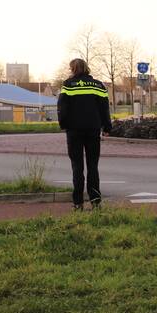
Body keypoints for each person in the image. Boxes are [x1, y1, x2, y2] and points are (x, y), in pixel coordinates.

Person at [57, 58, 112, 210]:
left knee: (77, 166)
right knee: (93, 166)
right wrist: (107, 127)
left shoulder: (68, 85)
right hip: (93, 130)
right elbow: (104, 108)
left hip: (74, 131)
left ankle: (78, 203)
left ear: (73, 69)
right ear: (86, 68)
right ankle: (95, 201)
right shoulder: (98, 85)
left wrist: (63, 124)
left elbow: (62, 107)